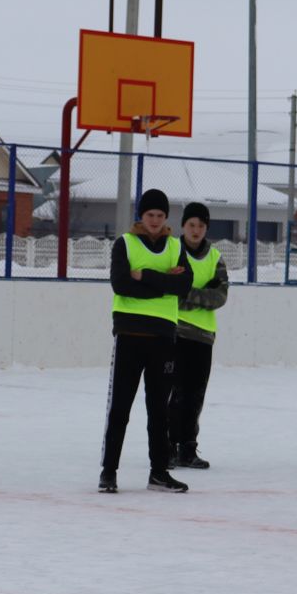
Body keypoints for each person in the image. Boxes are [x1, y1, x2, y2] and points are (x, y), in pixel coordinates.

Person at [100, 188, 191, 494]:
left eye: (160, 216)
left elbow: (183, 285)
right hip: (130, 334)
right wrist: (163, 282)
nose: (154, 221)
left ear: (166, 218)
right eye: (150, 215)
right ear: (141, 215)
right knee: (120, 408)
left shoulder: (175, 246)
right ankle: (109, 471)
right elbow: (121, 285)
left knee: (159, 410)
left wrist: (146, 277)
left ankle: (159, 472)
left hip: (163, 336)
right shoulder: (125, 243)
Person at [169, 202, 229, 470]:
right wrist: (200, 294)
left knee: (196, 395)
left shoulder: (215, 257)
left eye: (201, 226)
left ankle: (188, 448)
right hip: (174, 332)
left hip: (203, 337)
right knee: (174, 393)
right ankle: (168, 446)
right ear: (183, 226)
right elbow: (169, 289)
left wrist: (188, 293)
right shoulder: (172, 252)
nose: (196, 230)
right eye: (191, 225)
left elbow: (220, 296)